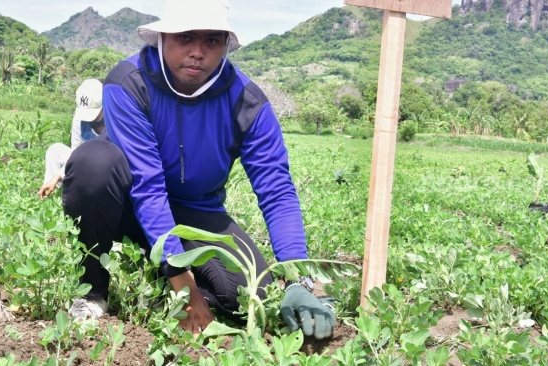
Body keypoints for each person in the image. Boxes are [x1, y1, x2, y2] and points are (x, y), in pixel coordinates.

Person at [63, 0, 335, 340]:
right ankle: (93, 292)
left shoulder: (246, 102)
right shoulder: (129, 83)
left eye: (211, 40)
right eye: (185, 37)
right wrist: (183, 285)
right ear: (162, 38)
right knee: (94, 162)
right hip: (127, 204)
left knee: (251, 295)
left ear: (224, 45)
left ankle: (158, 278)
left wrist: (299, 278)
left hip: (195, 213)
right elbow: (147, 186)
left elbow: (276, 191)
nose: (197, 52)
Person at [38, 79, 106, 199]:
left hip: (106, 168)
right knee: (55, 150)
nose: (89, 120)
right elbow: (76, 153)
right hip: (83, 163)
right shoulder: (79, 119)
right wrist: (58, 176)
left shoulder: (114, 120)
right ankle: (50, 193)